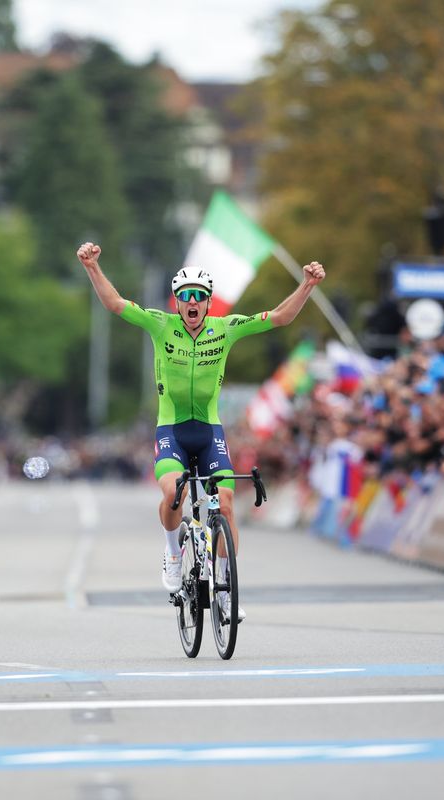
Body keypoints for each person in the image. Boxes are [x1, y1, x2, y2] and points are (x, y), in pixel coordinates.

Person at [76, 241, 326, 619]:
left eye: (199, 296)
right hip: (171, 431)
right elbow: (114, 304)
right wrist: (92, 267)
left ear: (209, 302)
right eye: (185, 296)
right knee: (173, 494)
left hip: (209, 431)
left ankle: (225, 589)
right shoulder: (161, 325)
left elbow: (279, 317)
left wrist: (307, 285)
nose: (192, 302)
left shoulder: (225, 328)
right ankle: (173, 553)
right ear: (177, 302)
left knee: (225, 504)